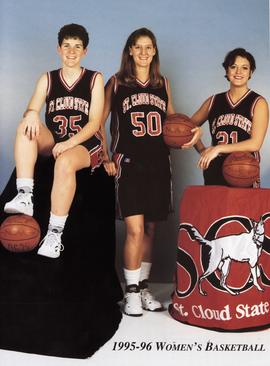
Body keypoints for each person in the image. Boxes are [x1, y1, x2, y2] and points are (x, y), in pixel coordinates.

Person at [100, 28, 200, 316]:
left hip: (159, 164)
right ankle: (130, 292)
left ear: (154, 51)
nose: (144, 52)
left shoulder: (163, 83)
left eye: (149, 47)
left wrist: (197, 142)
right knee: (134, 229)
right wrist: (105, 156)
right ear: (129, 50)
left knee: (151, 229)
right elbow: (98, 123)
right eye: (138, 47)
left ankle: (142, 287)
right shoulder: (117, 83)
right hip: (128, 163)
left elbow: (175, 122)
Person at [4, 23, 104, 258]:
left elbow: (94, 123)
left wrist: (69, 144)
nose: (71, 51)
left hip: (85, 144)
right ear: (58, 49)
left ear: (85, 51)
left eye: (77, 46)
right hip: (55, 140)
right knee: (25, 126)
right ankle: (25, 195)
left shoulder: (93, 79)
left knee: (64, 163)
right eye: (67, 46)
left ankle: (54, 234)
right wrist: (30, 114)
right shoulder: (47, 79)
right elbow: (32, 109)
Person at [185, 48, 268, 185]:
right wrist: (202, 150)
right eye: (233, 67)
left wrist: (217, 148)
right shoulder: (213, 101)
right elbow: (188, 128)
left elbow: (255, 143)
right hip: (215, 171)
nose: (238, 72)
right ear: (227, 71)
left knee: (244, 207)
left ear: (250, 73)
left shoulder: (258, 103)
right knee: (213, 207)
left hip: (244, 171)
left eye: (244, 68)